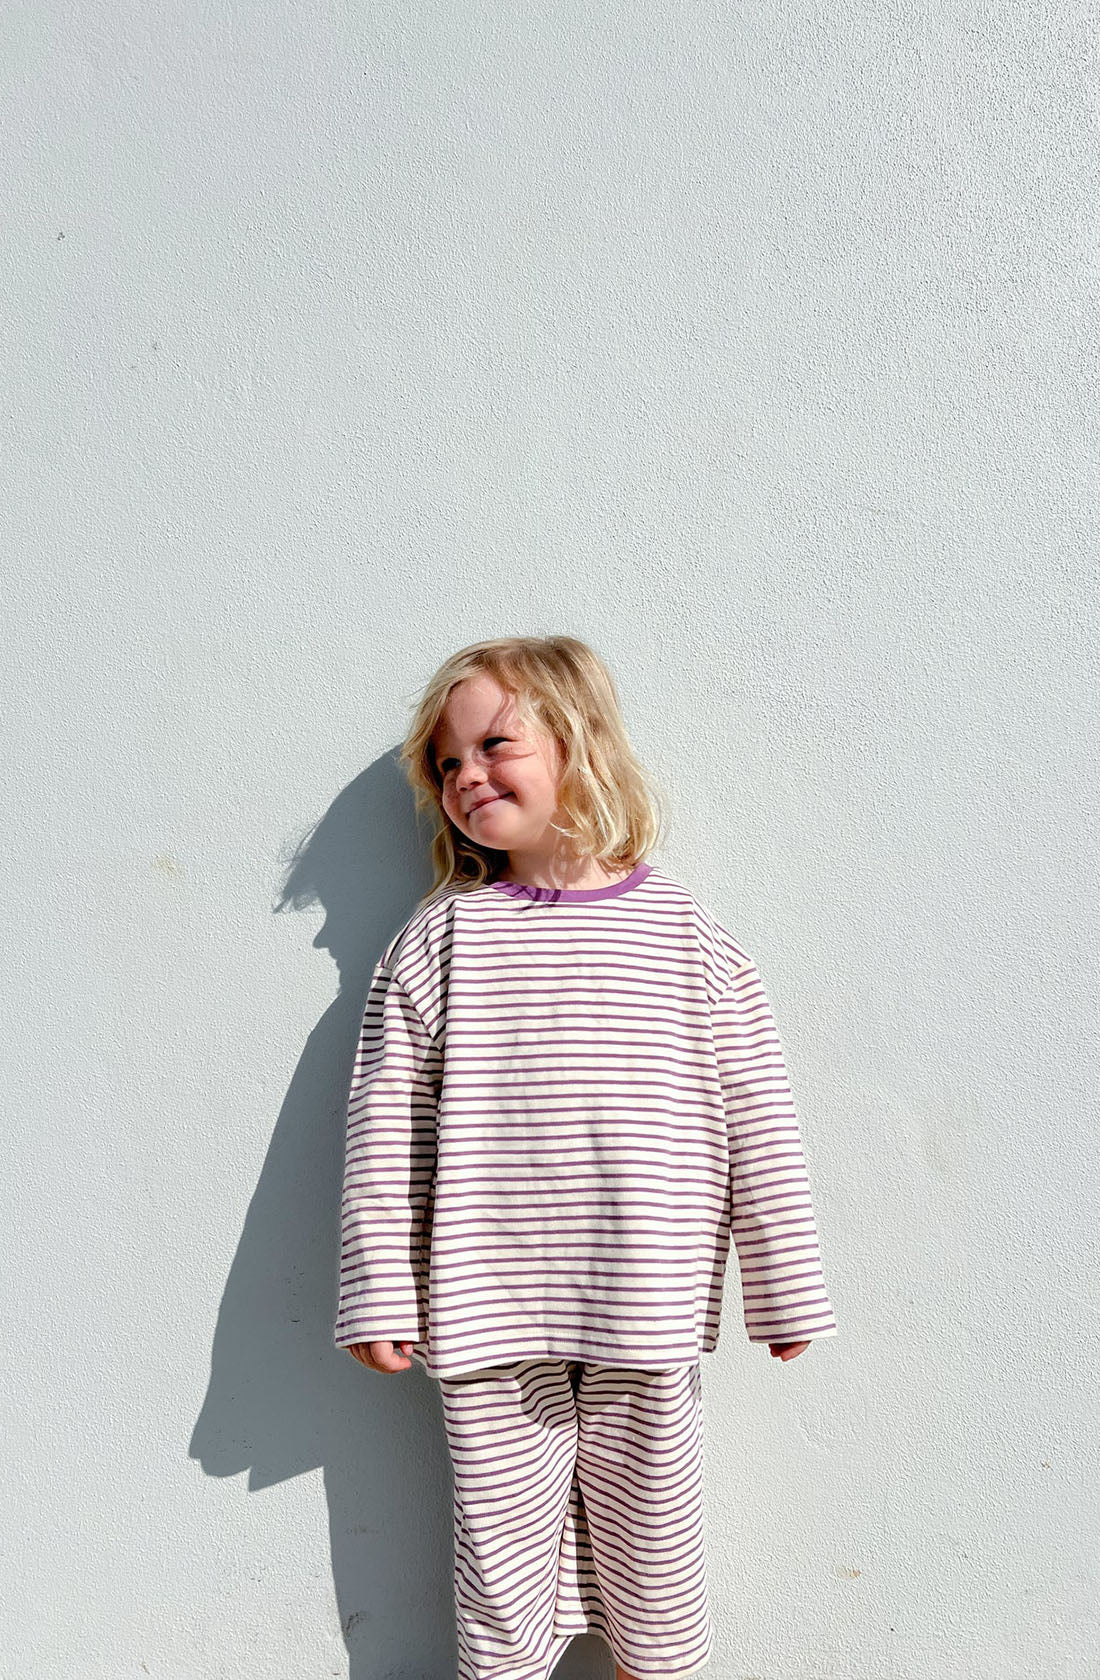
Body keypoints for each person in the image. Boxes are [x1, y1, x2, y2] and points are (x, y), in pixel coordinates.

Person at [334, 634, 839, 1680]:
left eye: (493, 744)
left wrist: (783, 1286)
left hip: (643, 1303)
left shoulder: (687, 939)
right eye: (445, 764)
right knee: (497, 1563)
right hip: (484, 1307)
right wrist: (379, 1287)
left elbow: (757, 1114)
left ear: (578, 743)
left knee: (654, 1556)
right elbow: (383, 1128)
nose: (466, 776)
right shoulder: (440, 943)